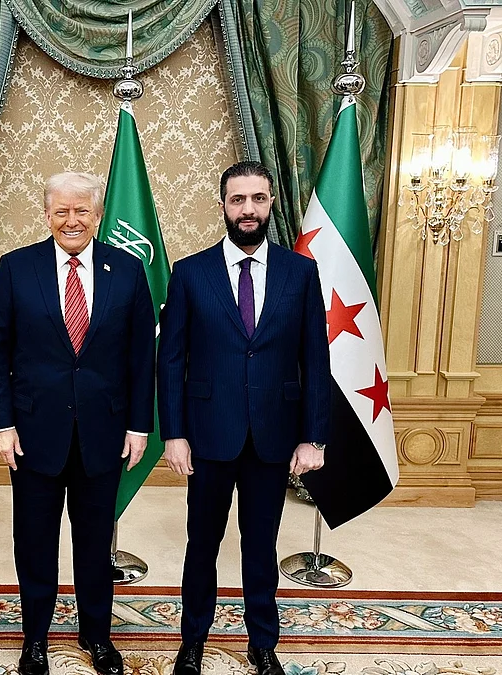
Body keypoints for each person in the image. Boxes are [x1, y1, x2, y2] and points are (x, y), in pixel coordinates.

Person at [157, 161, 330, 675]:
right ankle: (193, 641)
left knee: (262, 545)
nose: (248, 210)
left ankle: (262, 643)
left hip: (273, 436)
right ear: (223, 206)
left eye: (257, 198)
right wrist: (175, 434)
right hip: (208, 434)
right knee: (201, 544)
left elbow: (315, 358)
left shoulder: (301, 272)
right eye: (238, 200)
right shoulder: (190, 272)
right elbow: (172, 361)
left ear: (272, 202)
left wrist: (313, 438)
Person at [0, 172, 156, 675]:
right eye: (62, 211)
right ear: (46, 215)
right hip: (33, 435)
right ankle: (34, 640)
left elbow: (142, 355)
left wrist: (140, 426)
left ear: (97, 215)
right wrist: (1, 425)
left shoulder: (126, 269)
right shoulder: (17, 268)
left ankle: (96, 637)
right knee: (34, 542)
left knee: (95, 543)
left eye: (82, 210)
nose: (72, 220)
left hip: (103, 433)